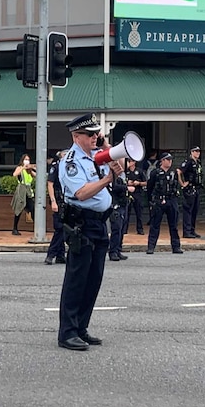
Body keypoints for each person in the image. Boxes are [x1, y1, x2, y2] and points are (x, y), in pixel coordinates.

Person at [57, 113, 123, 352]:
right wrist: (107, 180)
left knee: (93, 280)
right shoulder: (71, 161)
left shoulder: (97, 155)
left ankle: (81, 328)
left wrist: (106, 146)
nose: (95, 137)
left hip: (98, 224)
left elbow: (121, 167)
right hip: (81, 224)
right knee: (77, 280)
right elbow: (82, 193)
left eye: (97, 133)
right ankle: (67, 332)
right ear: (76, 136)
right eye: (90, 134)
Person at [147, 152, 182, 254]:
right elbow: (150, 187)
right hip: (158, 200)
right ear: (162, 161)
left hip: (171, 200)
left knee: (174, 225)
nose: (170, 161)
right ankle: (151, 247)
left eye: (171, 159)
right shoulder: (155, 172)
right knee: (155, 224)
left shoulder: (173, 172)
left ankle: (176, 247)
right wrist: (151, 201)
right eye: (167, 159)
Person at [45, 149, 67, 265]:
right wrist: (53, 201)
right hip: (58, 200)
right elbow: (50, 184)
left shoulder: (70, 167)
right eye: (65, 155)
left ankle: (60, 255)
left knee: (63, 228)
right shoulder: (56, 166)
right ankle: (51, 254)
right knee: (60, 228)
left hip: (67, 200)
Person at [177, 146, 203, 238]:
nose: (197, 153)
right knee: (188, 211)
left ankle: (192, 230)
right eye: (195, 151)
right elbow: (179, 171)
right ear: (191, 152)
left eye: (198, 151)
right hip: (190, 189)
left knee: (194, 211)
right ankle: (187, 232)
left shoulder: (198, 163)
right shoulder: (188, 162)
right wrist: (182, 184)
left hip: (197, 189)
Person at [108, 163, 130, 261]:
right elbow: (113, 187)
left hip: (123, 204)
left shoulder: (124, 175)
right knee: (116, 228)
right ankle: (113, 251)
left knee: (121, 229)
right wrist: (126, 188)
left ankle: (118, 249)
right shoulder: (112, 175)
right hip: (116, 205)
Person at [12, 153, 36, 235]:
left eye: (28, 160)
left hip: (28, 192)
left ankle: (37, 228)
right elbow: (15, 174)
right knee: (18, 210)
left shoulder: (29, 170)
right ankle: (14, 228)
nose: (27, 161)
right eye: (25, 159)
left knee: (32, 209)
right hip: (21, 192)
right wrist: (23, 168)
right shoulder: (20, 168)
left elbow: (36, 176)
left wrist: (32, 168)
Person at [124, 158, 146, 236]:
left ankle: (140, 229)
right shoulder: (125, 171)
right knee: (127, 212)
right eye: (128, 161)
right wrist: (127, 182)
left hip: (137, 193)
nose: (130, 163)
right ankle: (124, 229)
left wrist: (139, 183)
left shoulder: (139, 171)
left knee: (139, 212)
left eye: (131, 161)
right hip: (128, 193)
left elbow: (146, 182)